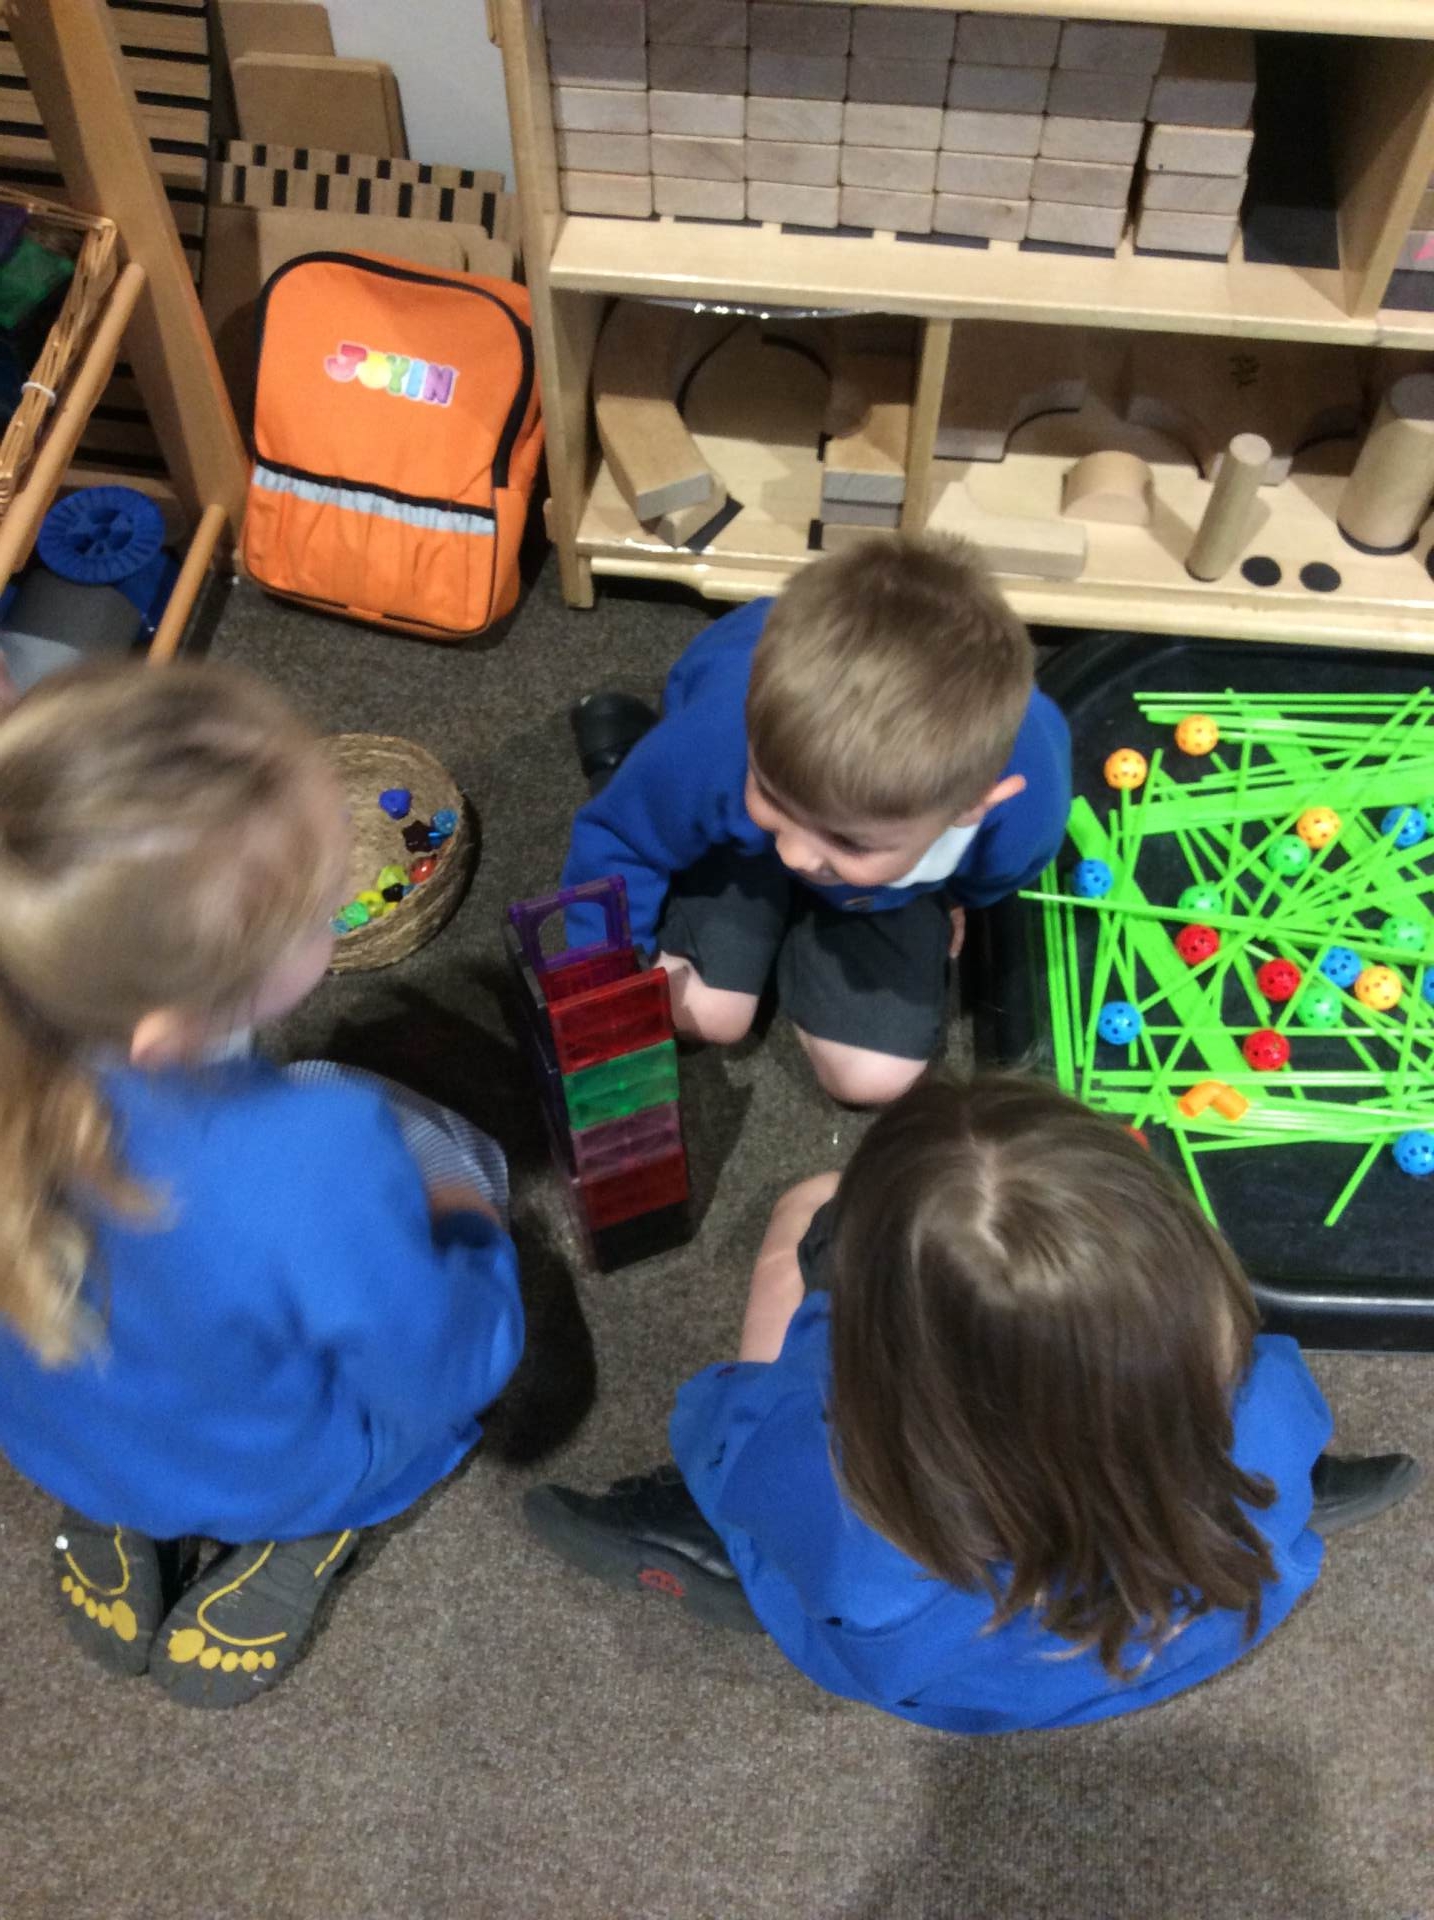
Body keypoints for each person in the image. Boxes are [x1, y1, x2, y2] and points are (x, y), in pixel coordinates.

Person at [525, 1075, 1419, 1733]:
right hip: (1191, 1630)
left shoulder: (837, 1484)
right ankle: (1248, 1512)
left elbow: (712, 1428)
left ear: (884, 1354)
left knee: (805, 1207)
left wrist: (811, 1321)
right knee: (1254, 1474)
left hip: (951, 1680)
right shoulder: (1271, 1400)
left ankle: (717, 1554)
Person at [0, 660, 523, 1708]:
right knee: (460, 1155)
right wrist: (474, 1228)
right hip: (277, 1467)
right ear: (179, 1011)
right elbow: (441, 1367)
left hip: (63, 1440)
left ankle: (116, 1507)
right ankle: (311, 1526)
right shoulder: (317, 1147)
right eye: (317, 912)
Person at [562, 536, 1070, 1107]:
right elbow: (620, 839)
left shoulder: (1026, 810)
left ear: (970, 807)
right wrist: (606, 977)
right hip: (730, 834)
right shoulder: (721, 735)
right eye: (769, 792)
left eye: (849, 841)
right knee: (704, 1013)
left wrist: (957, 897)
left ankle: (783, 859)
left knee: (876, 1079)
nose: (795, 854)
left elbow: (1000, 872)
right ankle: (628, 767)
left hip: (874, 887)